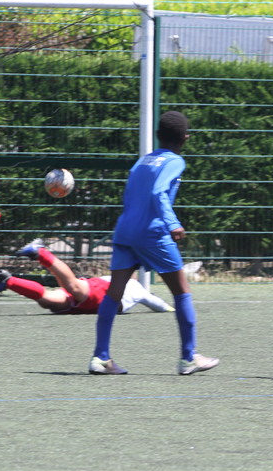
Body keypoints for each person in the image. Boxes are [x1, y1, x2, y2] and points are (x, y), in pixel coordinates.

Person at [89, 110, 219, 376]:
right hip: (152, 234)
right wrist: (172, 223)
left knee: (114, 293)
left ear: (158, 135)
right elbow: (158, 192)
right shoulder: (175, 161)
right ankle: (188, 358)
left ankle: (100, 358)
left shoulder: (143, 160)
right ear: (185, 138)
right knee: (181, 291)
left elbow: (131, 193)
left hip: (125, 231)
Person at [0, 238, 176, 315]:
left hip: (95, 299)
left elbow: (154, 302)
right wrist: (172, 310)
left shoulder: (132, 286)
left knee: (49, 302)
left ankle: (8, 281)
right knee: (73, 287)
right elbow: (157, 304)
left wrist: (168, 308)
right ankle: (40, 252)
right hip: (101, 295)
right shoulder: (136, 289)